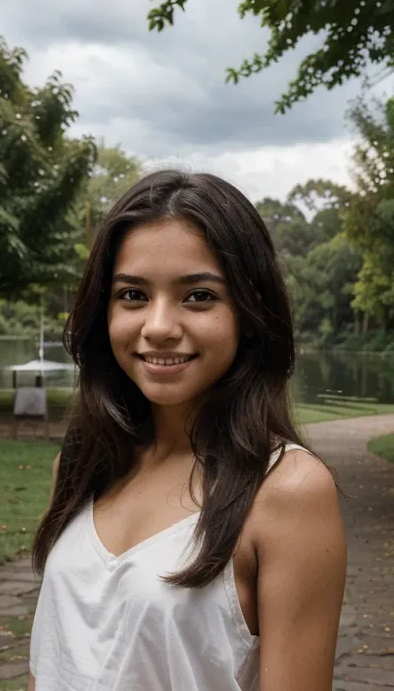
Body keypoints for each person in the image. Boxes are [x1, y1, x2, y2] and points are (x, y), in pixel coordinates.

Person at [28, 170, 347, 691]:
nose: (157, 325)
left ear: (249, 312)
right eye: (132, 294)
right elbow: (52, 662)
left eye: (198, 296)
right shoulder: (82, 467)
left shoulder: (286, 491)